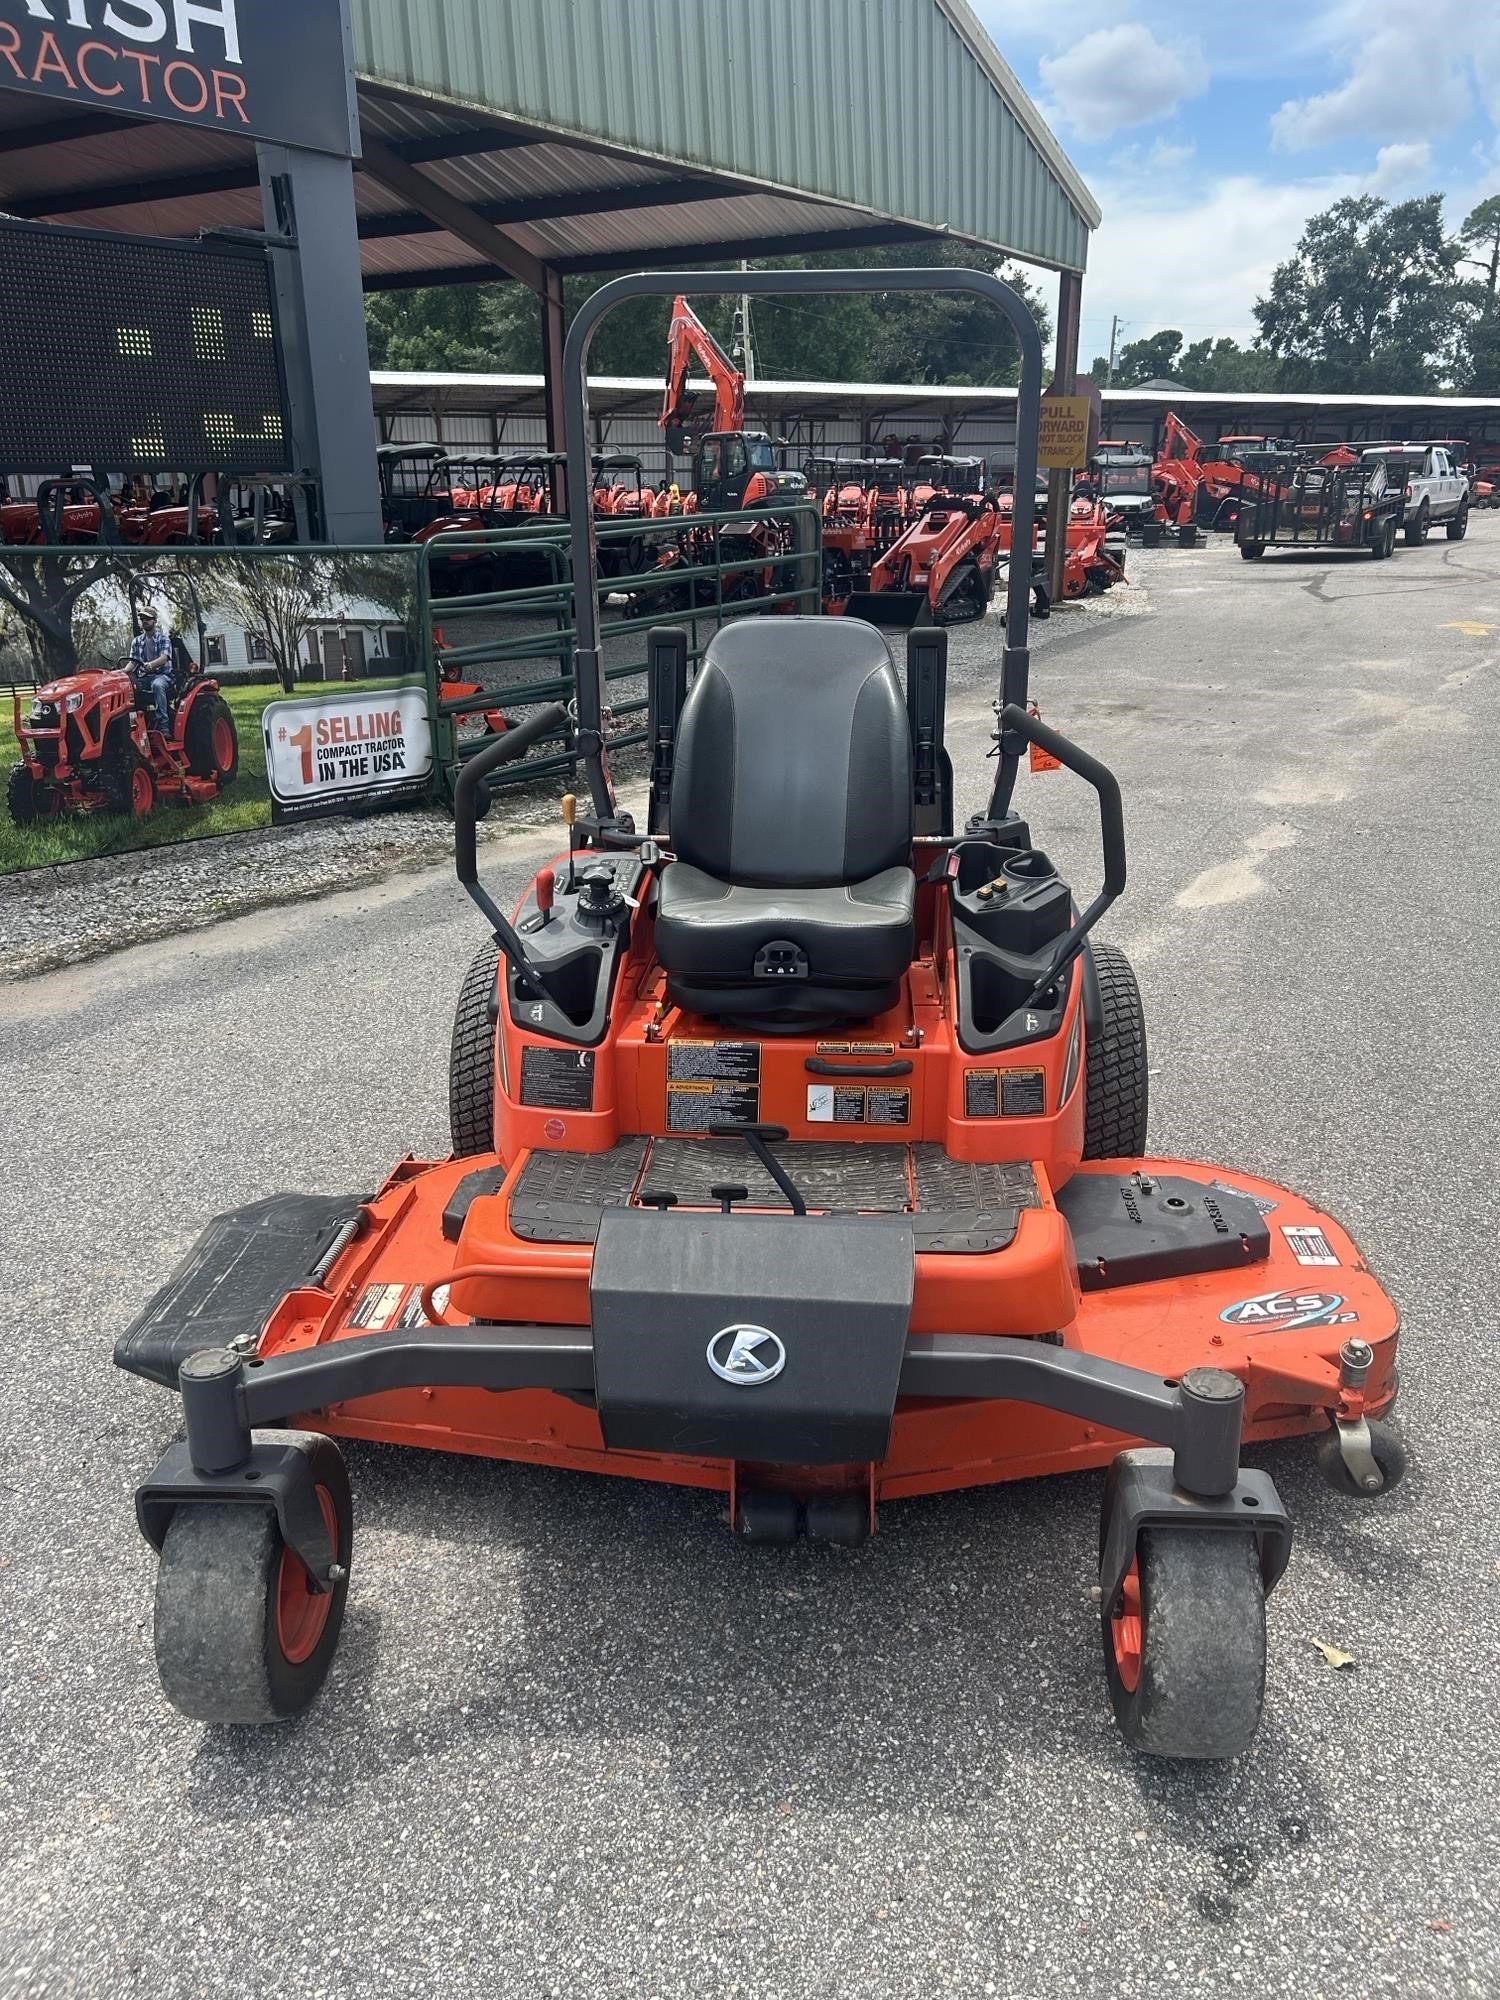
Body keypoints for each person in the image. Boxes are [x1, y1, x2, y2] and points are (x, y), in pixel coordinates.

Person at [130, 606, 174, 735]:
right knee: (130, 687)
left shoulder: (163, 638)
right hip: (144, 677)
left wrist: (151, 665)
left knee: (157, 685)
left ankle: (163, 725)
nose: (145, 621)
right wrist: (120, 673)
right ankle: (137, 724)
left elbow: (164, 658)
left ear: (154, 620)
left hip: (162, 676)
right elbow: (133, 663)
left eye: (148, 618)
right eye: (142, 619)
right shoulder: (137, 641)